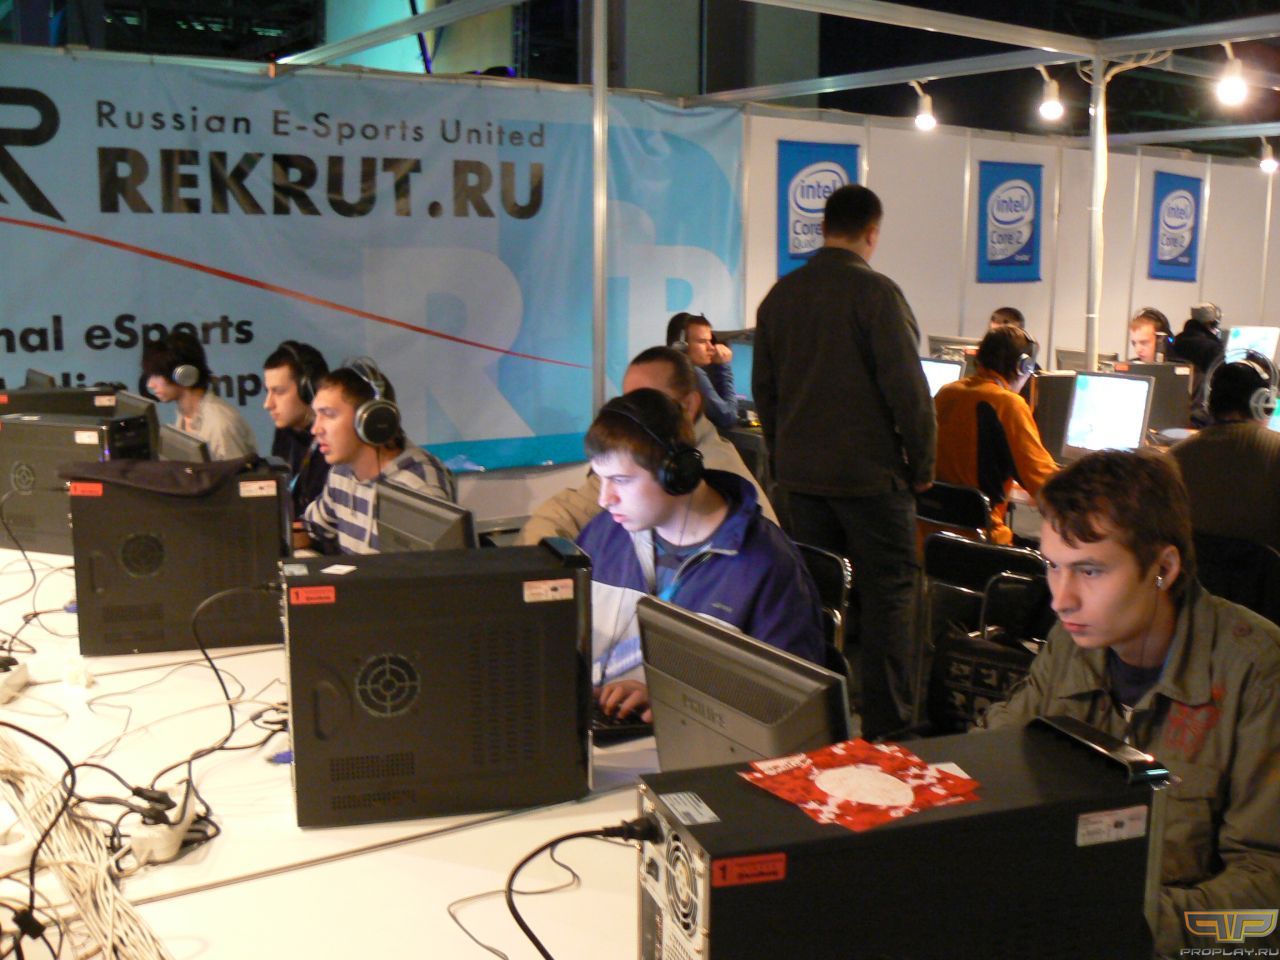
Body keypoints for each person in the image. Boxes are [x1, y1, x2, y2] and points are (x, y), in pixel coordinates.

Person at [978, 449, 1280, 956]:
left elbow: (1266, 903)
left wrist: (1127, 925)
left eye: (1090, 571)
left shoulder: (1259, 675)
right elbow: (996, 754)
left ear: (1163, 568)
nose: (1061, 599)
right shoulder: (1072, 642)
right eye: (1053, 567)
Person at [754, 183, 936, 740]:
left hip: (802, 482)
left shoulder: (780, 296)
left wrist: (783, 461)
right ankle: (887, 732)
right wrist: (923, 466)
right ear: (872, 233)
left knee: (815, 600)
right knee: (890, 600)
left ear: (823, 228)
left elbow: (766, 393)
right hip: (871, 482)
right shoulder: (877, 294)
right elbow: (909, 392)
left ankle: (815, 726)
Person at [578, 388, 825, 722]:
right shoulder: (603, 535)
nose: (604, 499)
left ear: (677, 474)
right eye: (601, 480)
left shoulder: (765, 564)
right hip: (602, 729)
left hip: (701, 740)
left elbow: (795, 706)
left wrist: (673, 697)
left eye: (620, 480)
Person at [517, 347, 778, 544]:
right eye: (629, 402)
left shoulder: (708, 474)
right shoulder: (643, 454)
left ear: (688, 405)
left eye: (648, 402)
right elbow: (569, 512)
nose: (632, 416)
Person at [300, 360, 454, 555]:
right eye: (316, 416)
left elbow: (435, 571)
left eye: (329, 415)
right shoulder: (341, 473)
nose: (315, 429)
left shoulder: (418, 490)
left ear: (371, 420)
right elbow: (314, 527)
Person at [934, 326, 1058, 545]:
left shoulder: (946, 392)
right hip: (982, 542)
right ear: (1024, 366)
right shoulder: (1007, 404)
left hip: (932, 540)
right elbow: (1046, 485)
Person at [1170, 356, 1280, 551]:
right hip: (1266, 570)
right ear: (1263, 404)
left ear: (1209, 402)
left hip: (1194, 568)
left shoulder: (1173, 457)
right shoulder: (1274, 452)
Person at [141, 330, 257, 461]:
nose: (150, 384)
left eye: (157, 375)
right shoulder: (184, 415)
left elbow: (238, 473)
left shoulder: (220, 424)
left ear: (183, 374)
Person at [263, 340, 330, 518]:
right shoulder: (285, 431)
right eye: (267, 391)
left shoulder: (334, 442)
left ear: (308, 390)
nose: (267, 404)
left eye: (278, 392)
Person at [666, 312, 739, 431]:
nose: (711, 347)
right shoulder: (691, 373)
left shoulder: (664, 367)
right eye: (702, 341)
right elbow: (727, 417)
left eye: (710, 341)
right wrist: (724, 366)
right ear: (681, 346)